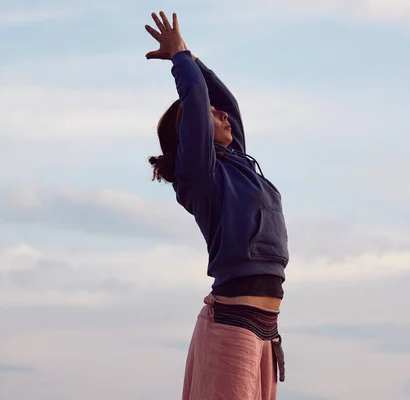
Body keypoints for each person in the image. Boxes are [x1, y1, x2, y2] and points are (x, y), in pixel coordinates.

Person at [145, 11, 289, 400]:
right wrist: (179, 61)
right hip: (233, 326)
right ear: (191, 133)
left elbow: (227, 102)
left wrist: (190, 55)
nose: (223, 115)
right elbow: (196, 104)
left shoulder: (237, 163)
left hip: (264, 330)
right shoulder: (201, 175)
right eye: (212, 115)